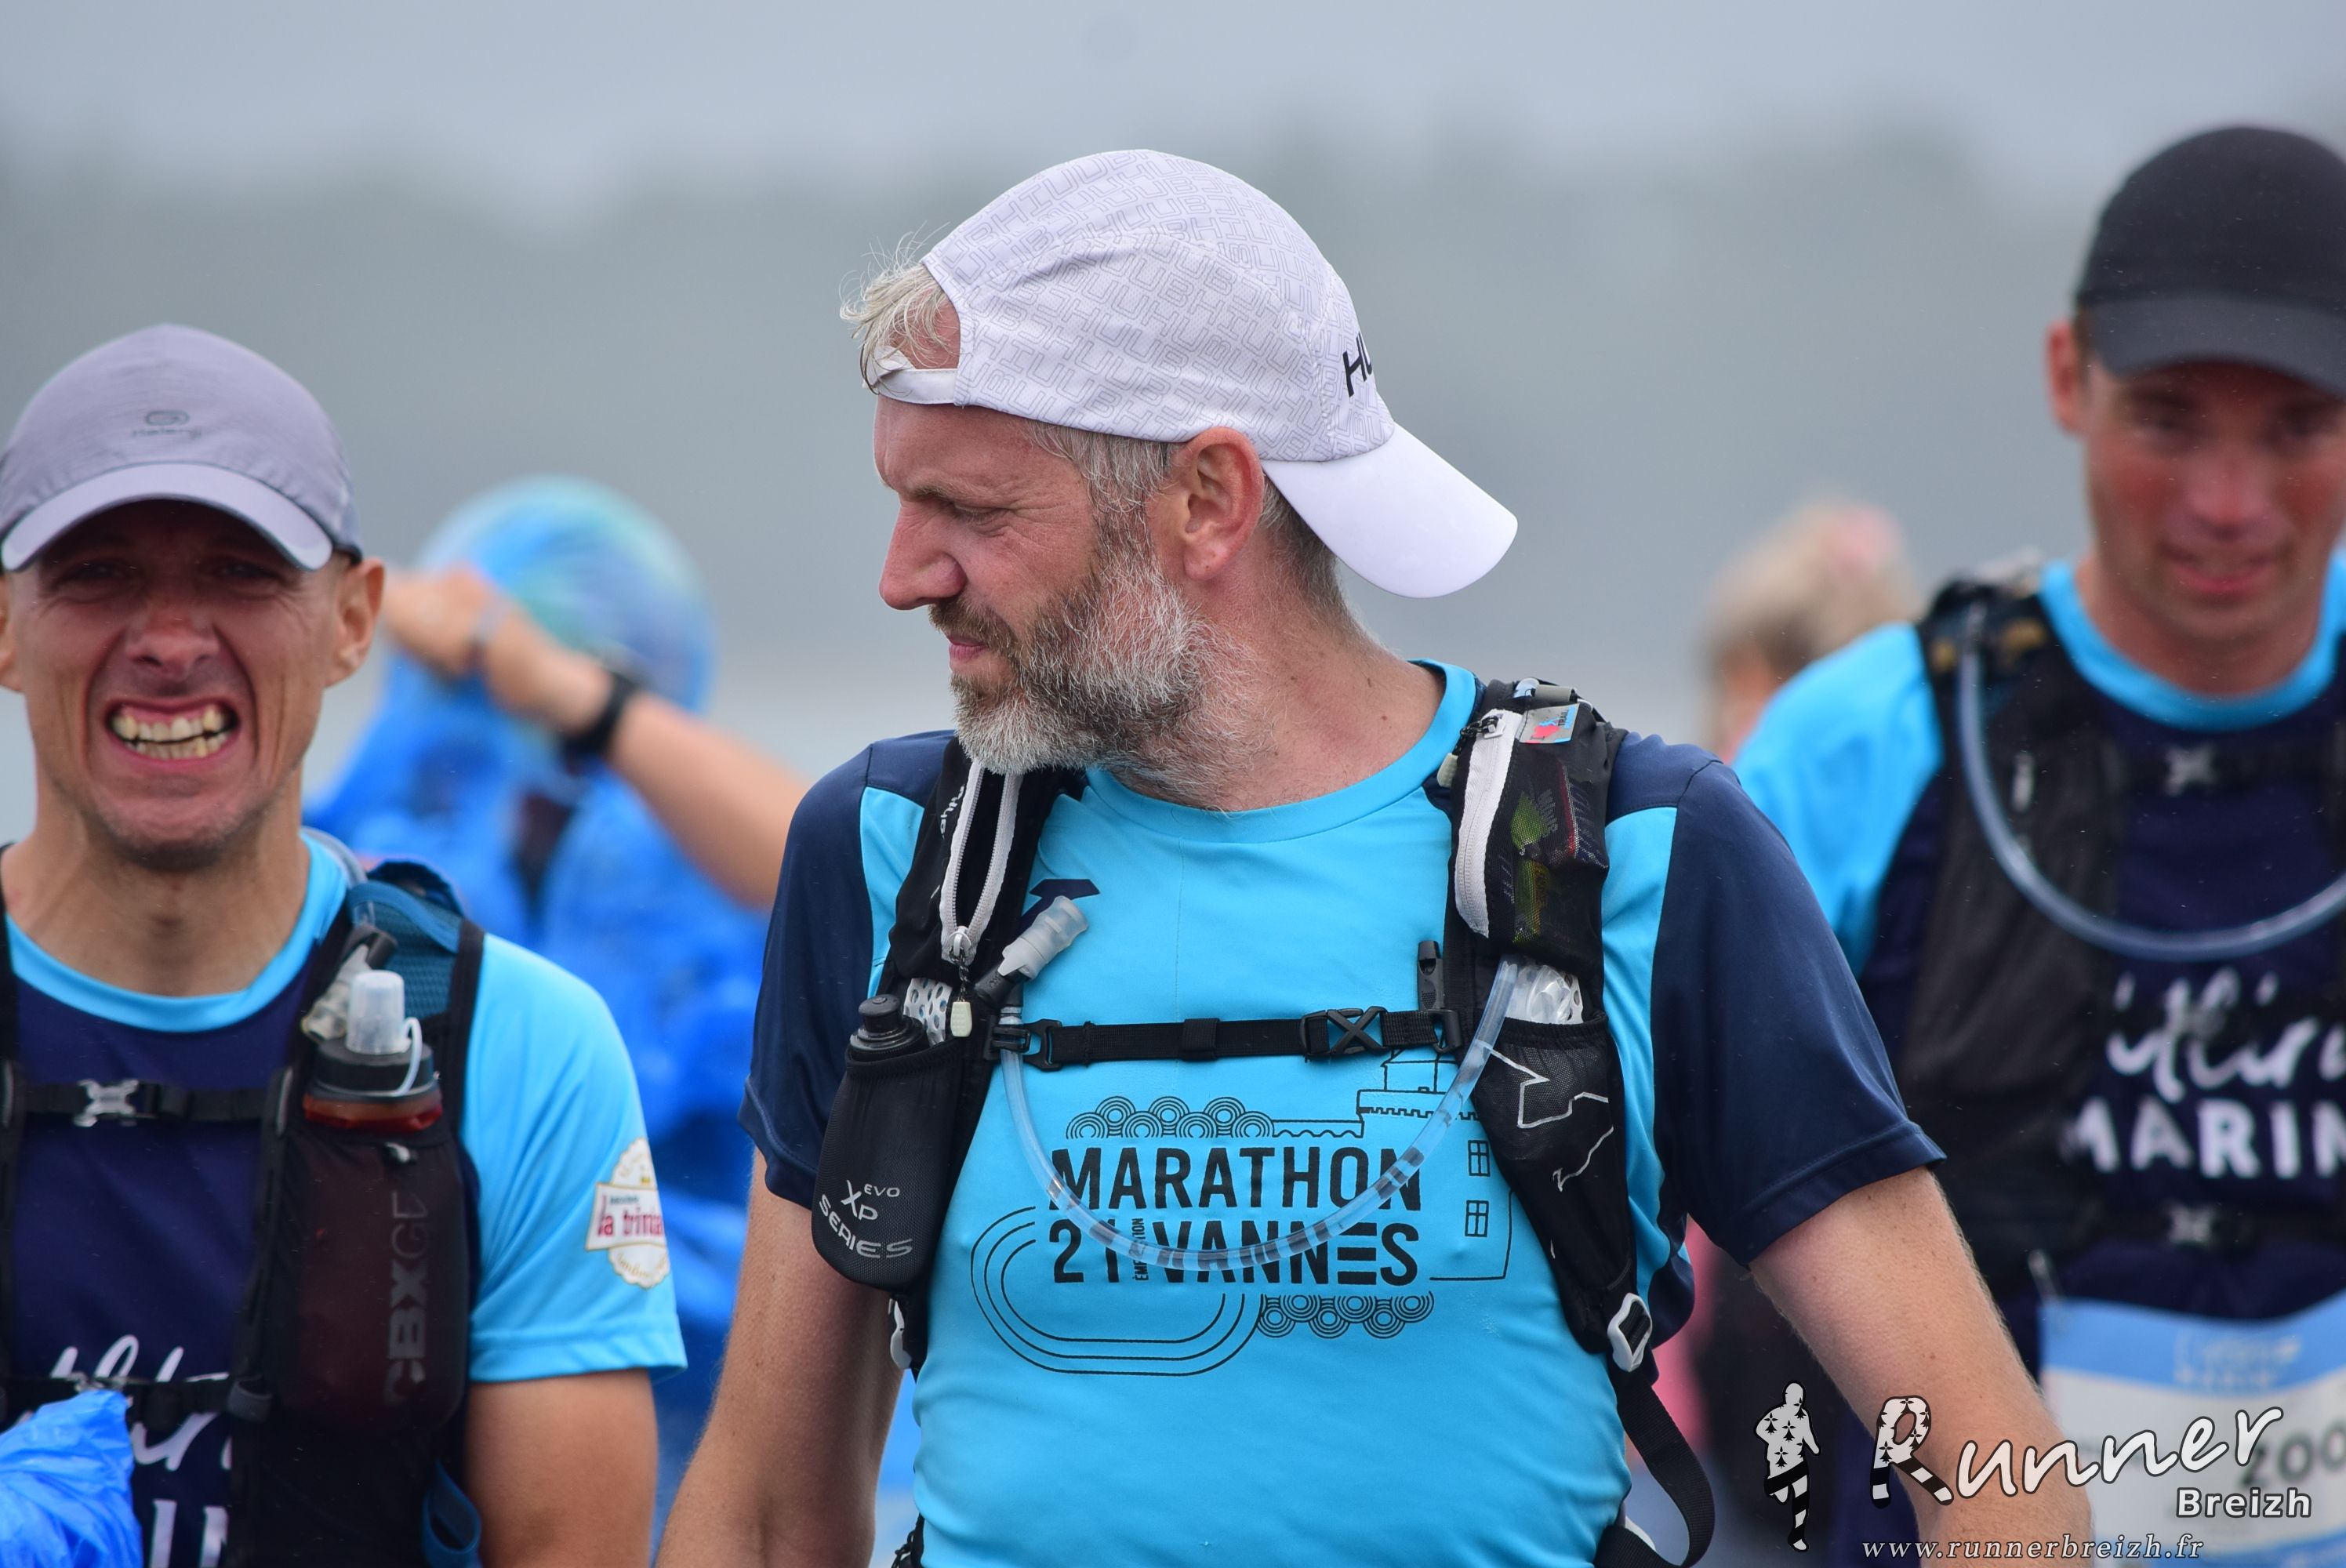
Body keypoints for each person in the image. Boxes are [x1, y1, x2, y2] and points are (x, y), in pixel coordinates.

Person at [662, 150, 2083, 1568]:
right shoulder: (897, 854)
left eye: (974, 513)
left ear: (1209, 499)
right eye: (905, 504)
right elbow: (775, 1519)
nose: (902, 576)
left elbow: (2006, 1489)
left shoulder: (1635, 852)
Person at [1735, 125, 2346, 1562]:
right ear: (2069, 378)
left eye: (2298, 429)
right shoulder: (1865, 743)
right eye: (2170, 422)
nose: (2227, 503)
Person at [0, 325, 682, 1567]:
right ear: (5, 624)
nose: (169, 640)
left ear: (354, 621)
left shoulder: (519, 1045)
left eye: (240, 573)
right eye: (96, 573)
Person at [309, 476, 796, 1510]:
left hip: (688, 1417)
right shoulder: (389, 860)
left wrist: (577, 699)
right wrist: (321, 608)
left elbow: (852, 877)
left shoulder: (702, 879)